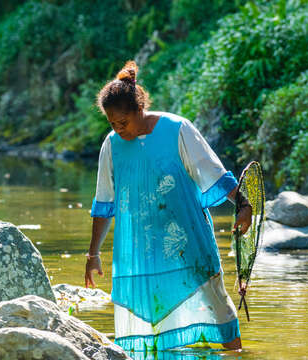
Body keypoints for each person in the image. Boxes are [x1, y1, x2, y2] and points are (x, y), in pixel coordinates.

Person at [84, 61, 252, 352]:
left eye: (123, 122)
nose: (118, 129)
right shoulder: (111, 145)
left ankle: (236, 355)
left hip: (188, 240)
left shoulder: (178, 130)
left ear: (140, 110)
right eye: (112, 124)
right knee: (150, 323)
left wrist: (243, 203)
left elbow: (212, 172)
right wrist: (93, 253)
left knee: (218, 306)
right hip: (140, 250)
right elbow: (104, 201)